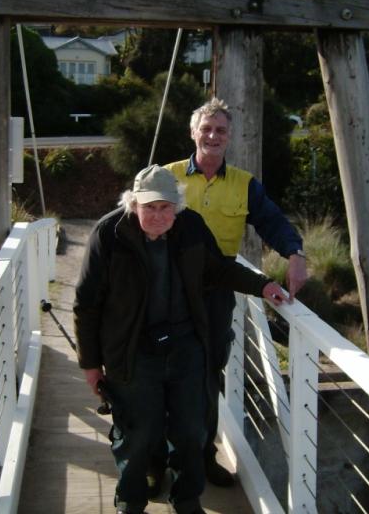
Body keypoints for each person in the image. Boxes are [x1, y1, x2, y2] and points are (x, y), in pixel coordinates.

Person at [73, 164, 286, 514]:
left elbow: (219, 268)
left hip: (186, 347)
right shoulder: (108, 234)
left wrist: (262, 285)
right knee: (137, 433)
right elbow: (86, 304)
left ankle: (186, 500)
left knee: (191, 431)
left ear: (177, 207)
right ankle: (130, 498)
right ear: (133, 204)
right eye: (149, 207)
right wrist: (90, 364)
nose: (158, 215)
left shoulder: (192, 227)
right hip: (133, 351)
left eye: (166, 207)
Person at [162, 96, 308, 487]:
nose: (212, 136)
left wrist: (295, 254)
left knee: (209, 378)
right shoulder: (166, 175)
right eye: (206, 129)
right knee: (160, 375)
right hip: (165, 293)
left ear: (229, 138)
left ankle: (204, 458)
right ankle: (156, 461)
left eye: (220, 130)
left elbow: (272, 222)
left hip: (214, 294)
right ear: (193, 133)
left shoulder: (245, 185)